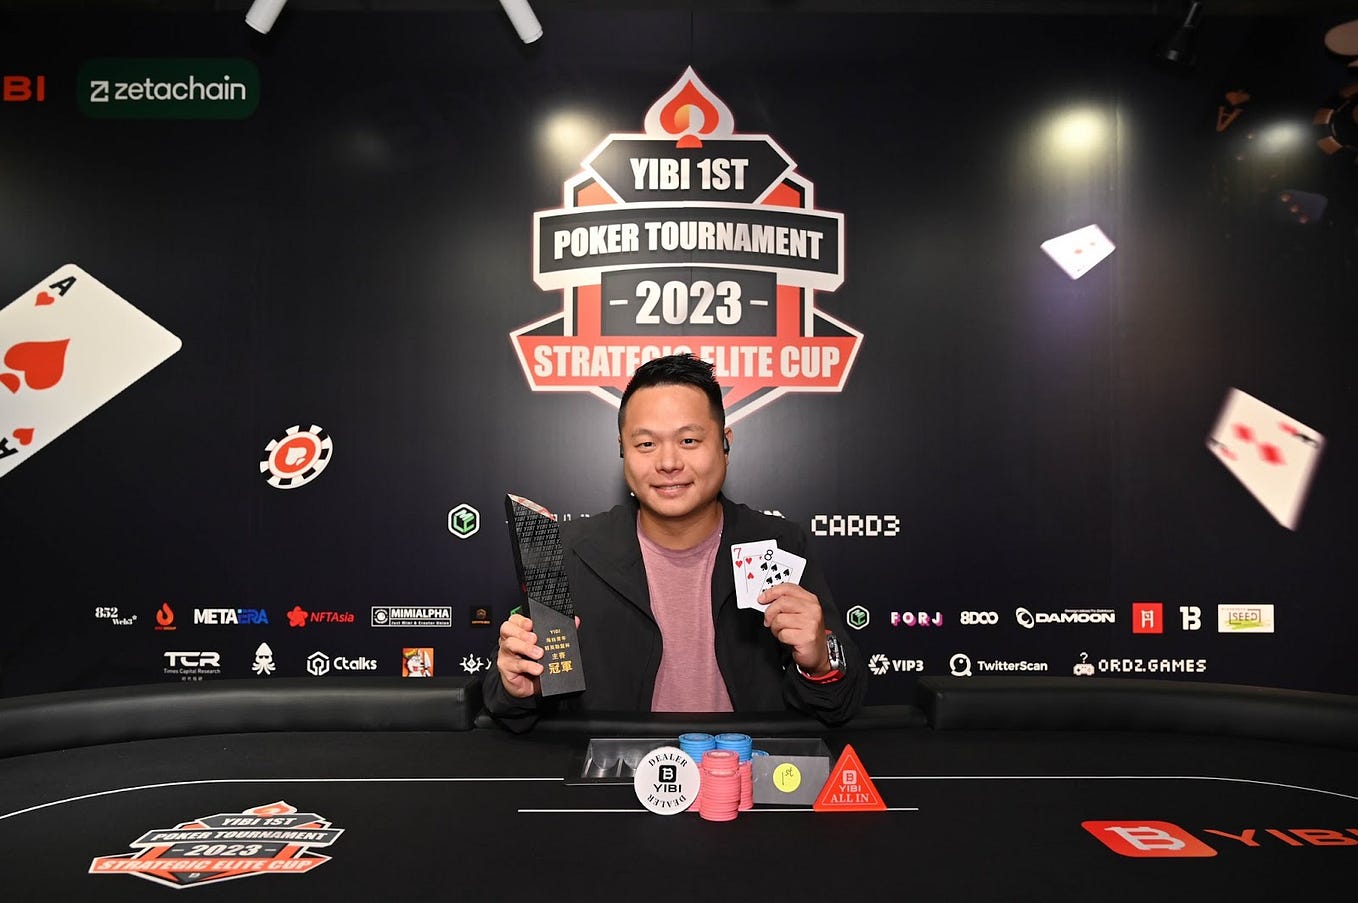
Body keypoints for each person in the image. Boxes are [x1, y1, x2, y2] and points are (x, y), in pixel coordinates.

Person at [484, 353, 865, 732]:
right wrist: (519, 687)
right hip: (611, 769)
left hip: (744, 767)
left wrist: (820, 663)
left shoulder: (780, 544)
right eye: (646, 444)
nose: (668, 462)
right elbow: (508, 704)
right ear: (622, 449)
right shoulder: (568, 552)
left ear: (725, 443)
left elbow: (840, 704)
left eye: (689, 440)